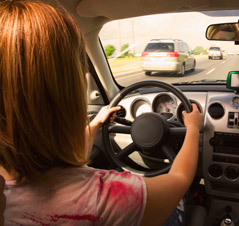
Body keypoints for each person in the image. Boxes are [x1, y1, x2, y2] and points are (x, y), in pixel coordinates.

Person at [0, 1, 203, 226]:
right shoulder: (107, 197)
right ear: (69, 94)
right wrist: (193, 128)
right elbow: (179, 178)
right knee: (182, 198)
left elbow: (66, 153)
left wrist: (96, 124)